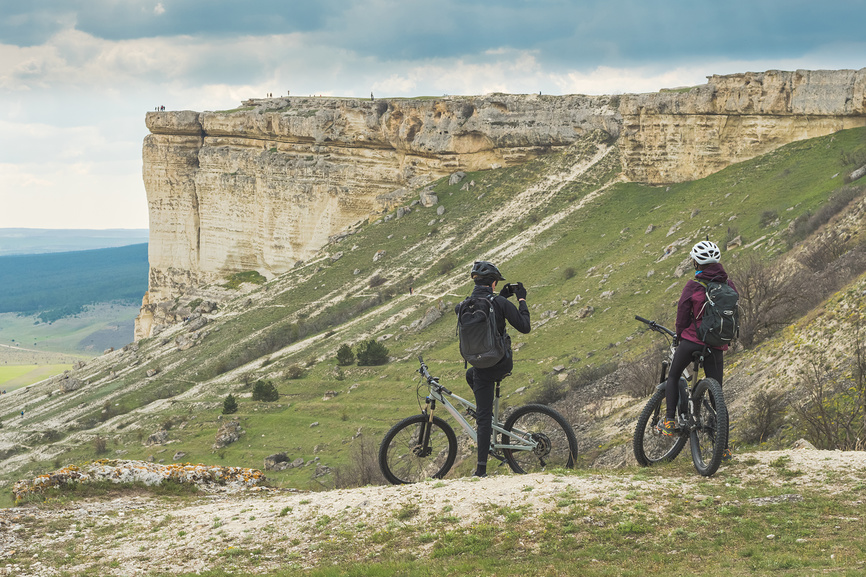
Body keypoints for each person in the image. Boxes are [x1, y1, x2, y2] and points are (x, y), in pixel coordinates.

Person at [659, 241, 737, 459]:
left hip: (693, 341)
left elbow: (682, 318)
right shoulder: (729, 285)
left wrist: (680, 336)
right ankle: (723, 447)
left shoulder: (693, 286)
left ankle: (669, 421)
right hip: (717, 344)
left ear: (696, 262)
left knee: (674, 376)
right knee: (716, 396)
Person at [457, 261, 530, 477]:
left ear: (475, 281)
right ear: (494, 283)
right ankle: (481, 468)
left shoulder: (463, 305)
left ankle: (481, 467)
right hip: (500, 363)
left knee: (474, 380)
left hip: (479, 364)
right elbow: (524, 326)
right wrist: (521, 299)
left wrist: (501, 298)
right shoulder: (498, 302)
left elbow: (484, 312)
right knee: (483, 411)